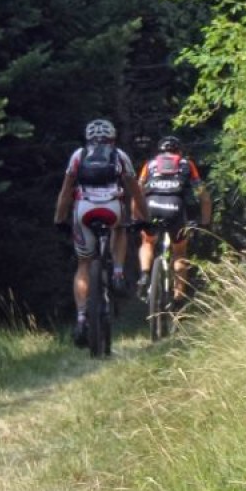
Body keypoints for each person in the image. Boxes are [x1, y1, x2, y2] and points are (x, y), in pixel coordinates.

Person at [54, 118, 149, 347]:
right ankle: (117, 271)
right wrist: (144, 219)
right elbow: (135, 192)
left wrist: (59, 219)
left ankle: (81, 318)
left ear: (88, 138)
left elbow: (66, 191)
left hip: (83, 210)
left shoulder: (78, 155)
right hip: (112, 208)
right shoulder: (119, 155)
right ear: (112, 138)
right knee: (120, 228)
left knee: (84, 264)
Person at [136, 135, 212, 308]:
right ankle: (178, 298)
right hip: (175, 208)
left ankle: (145, 274)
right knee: (179, 252)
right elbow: (204, 196)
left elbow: (138, 191)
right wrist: (205, 223)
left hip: (152, 205)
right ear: (179, 151)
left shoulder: (150, 164)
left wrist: (136, 218)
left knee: (147, 242)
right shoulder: (187, 164)